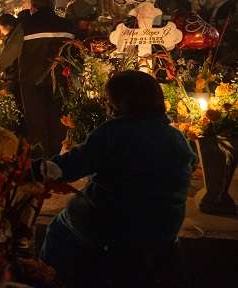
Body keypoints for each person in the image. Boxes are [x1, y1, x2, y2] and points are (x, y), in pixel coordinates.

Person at [37, 71, 197, 287]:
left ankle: (52, 279)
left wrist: (36, 169)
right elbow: (191, 163)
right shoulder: (175, 136)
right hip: (164, 226)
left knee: (59, 228)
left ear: (120, 102)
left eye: (108, 99)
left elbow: (71, 165)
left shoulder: (114, 132)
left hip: (116, 225)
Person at [8, 0, 74, 156]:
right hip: (60, 79)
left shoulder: (25, 25)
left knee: (35, 117)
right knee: (56, 116)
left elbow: (9, 55)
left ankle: (39, 157)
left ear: (34, 7)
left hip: (31, 80)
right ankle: (54, 155)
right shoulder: (67, 25)